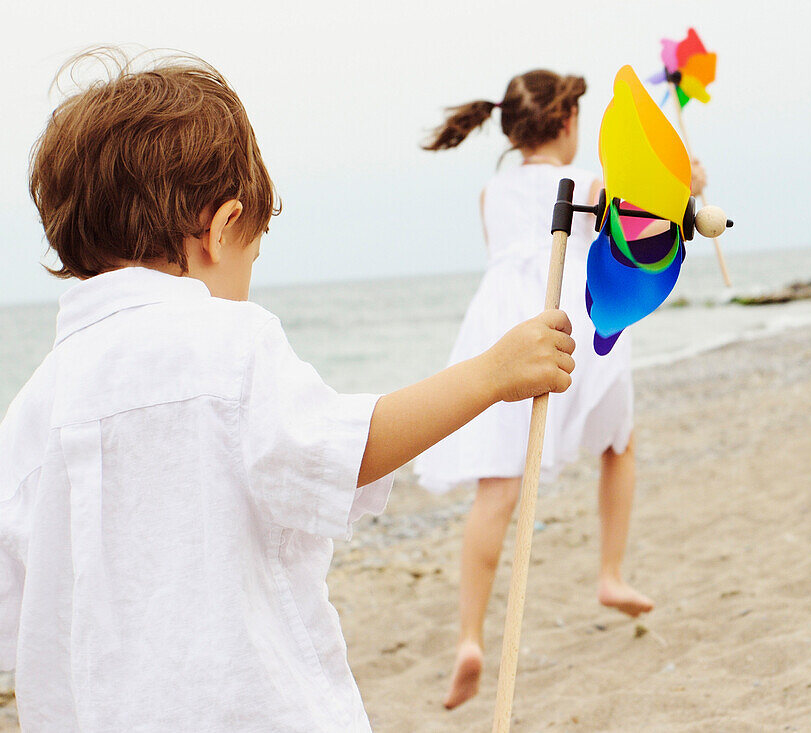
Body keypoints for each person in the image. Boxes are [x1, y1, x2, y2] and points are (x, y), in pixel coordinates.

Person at [0, 49, 575, 733]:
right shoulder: (227, 344)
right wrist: (491, 374)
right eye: (255, 249)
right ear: (220, 229)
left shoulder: (34, 407)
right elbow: (345, 450)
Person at [416, 69, 708, 709]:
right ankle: (610, 572)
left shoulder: (491, 192)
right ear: (570, 123)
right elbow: (642, 208)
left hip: (502, 330)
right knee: (620, 444)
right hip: (565, 319)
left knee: (495, 491)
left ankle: (469, 637)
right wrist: (686, 183)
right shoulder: (585, 186)